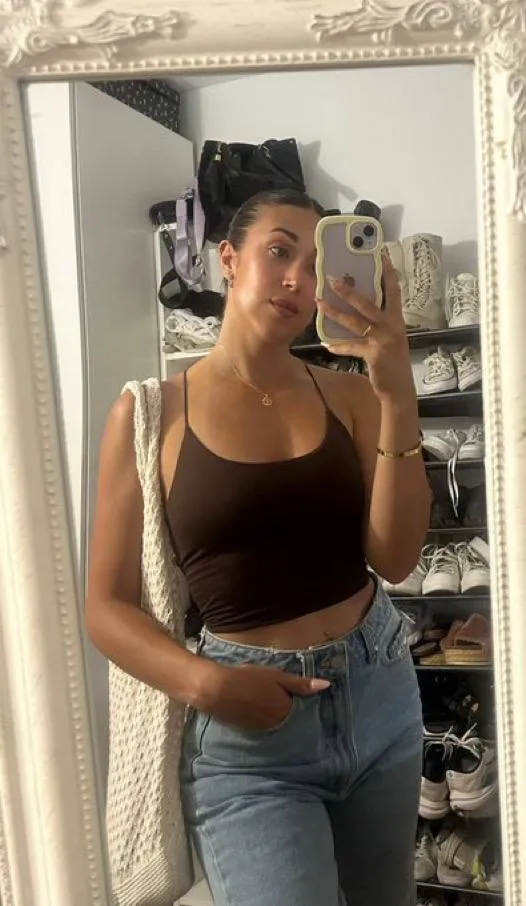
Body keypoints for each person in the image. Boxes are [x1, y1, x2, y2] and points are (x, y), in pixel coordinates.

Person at [87, 188, 431, 906]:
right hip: (248, 739)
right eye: (279, 251)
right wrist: (204, 684)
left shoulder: (352, 397)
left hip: (379, 694)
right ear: (228, 258)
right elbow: (106, 608)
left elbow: (397, 559)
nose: (297, 280)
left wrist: (398, 396)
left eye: (315, 265)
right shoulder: (150, 413)